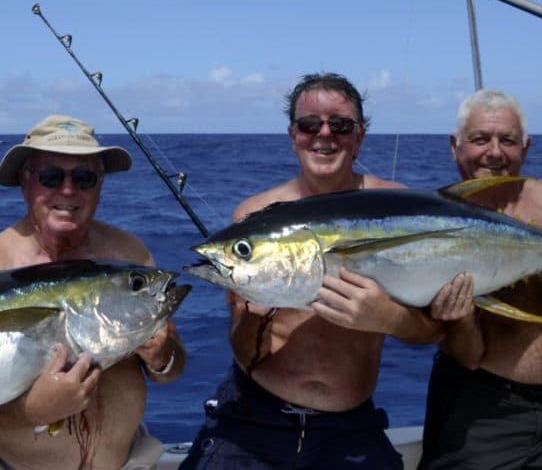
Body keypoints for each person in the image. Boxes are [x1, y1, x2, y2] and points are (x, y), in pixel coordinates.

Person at [179, 72, 452, 469]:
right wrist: (252, 322)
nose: (324, 135)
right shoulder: (254, 218)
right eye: (310, 124)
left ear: (359, 137)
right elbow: (242, 350)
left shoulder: (397, 207)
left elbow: (434, 331)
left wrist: (389, 317)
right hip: (252, 418)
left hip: (351, 427)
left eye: (340, 125)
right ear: (293, 135)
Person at [0, 114, 186, 470]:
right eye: (50, 176)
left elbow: (173, 368)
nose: (68, 190)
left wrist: (161, 357)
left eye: (84, 177)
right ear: (24, 180)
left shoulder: (130, 260)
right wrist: (36, 411)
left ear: (101, 183)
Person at [418, 89, 542, 469]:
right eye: (480, 139)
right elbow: (468, 355)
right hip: (480, 411)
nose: (494, 153)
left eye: (507, 140)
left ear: (525, 148)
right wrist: (459, 317)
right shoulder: (435, 223)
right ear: (455, 145)